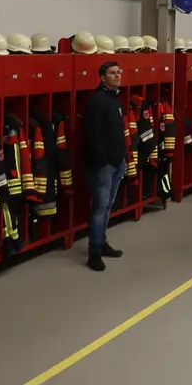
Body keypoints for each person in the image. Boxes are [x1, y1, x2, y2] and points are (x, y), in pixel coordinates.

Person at [81, 59, 128, 271]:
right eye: (112, 73)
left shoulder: (115, 100)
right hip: (103, 166)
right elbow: (92, 136)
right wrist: (104, 161)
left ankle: (102, 241)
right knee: (99, 208)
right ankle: (94, 253)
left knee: (108, 206)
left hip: (117, 163)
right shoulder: (97, 101)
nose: (117, 76)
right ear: (102, 78)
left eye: (119, 72)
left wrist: (122, 158)